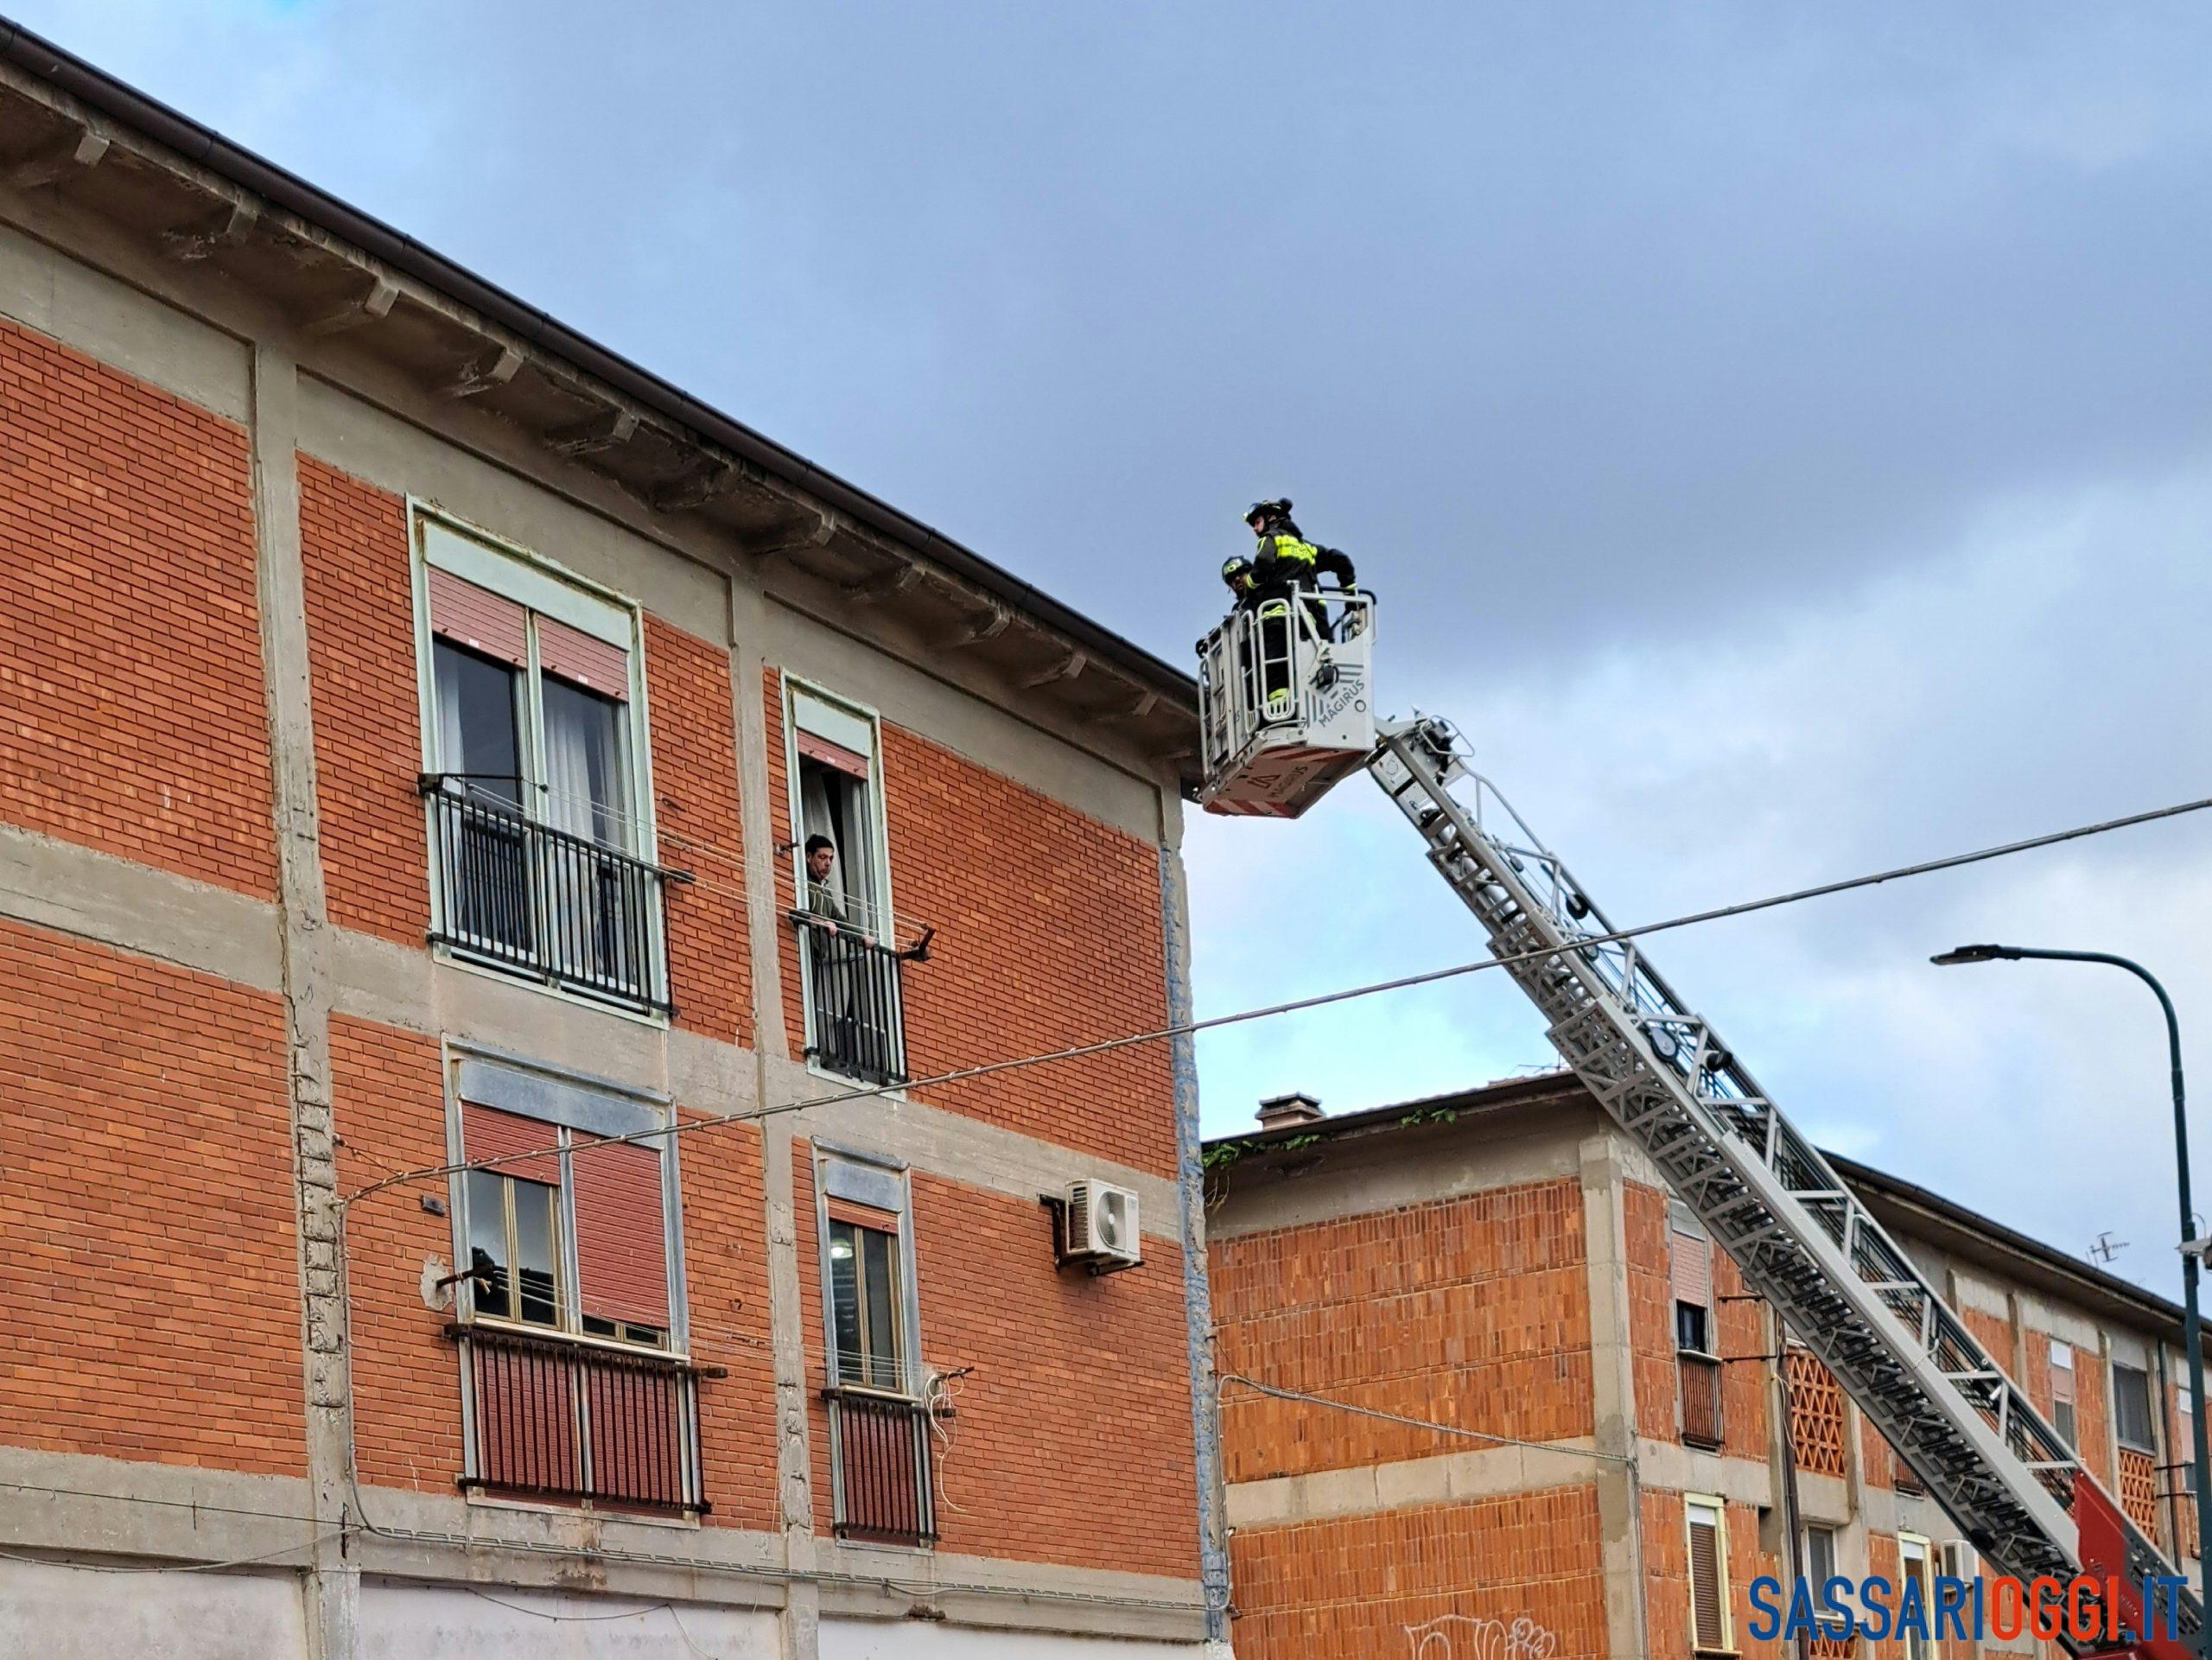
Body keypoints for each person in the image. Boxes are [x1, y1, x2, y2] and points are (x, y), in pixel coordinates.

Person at [1240, 499, 1358, 721]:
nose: (1255, 529)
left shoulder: (1271, 539)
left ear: (1271, 518)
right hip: (1310, 623)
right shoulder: (1307, 548)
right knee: (1306, 669)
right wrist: (1350, 594)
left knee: (1276, 672)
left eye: (1257, 522)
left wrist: (1250, 587)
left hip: (1277, 619)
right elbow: (1341, 560)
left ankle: (1279, 717)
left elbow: (1263, 565)